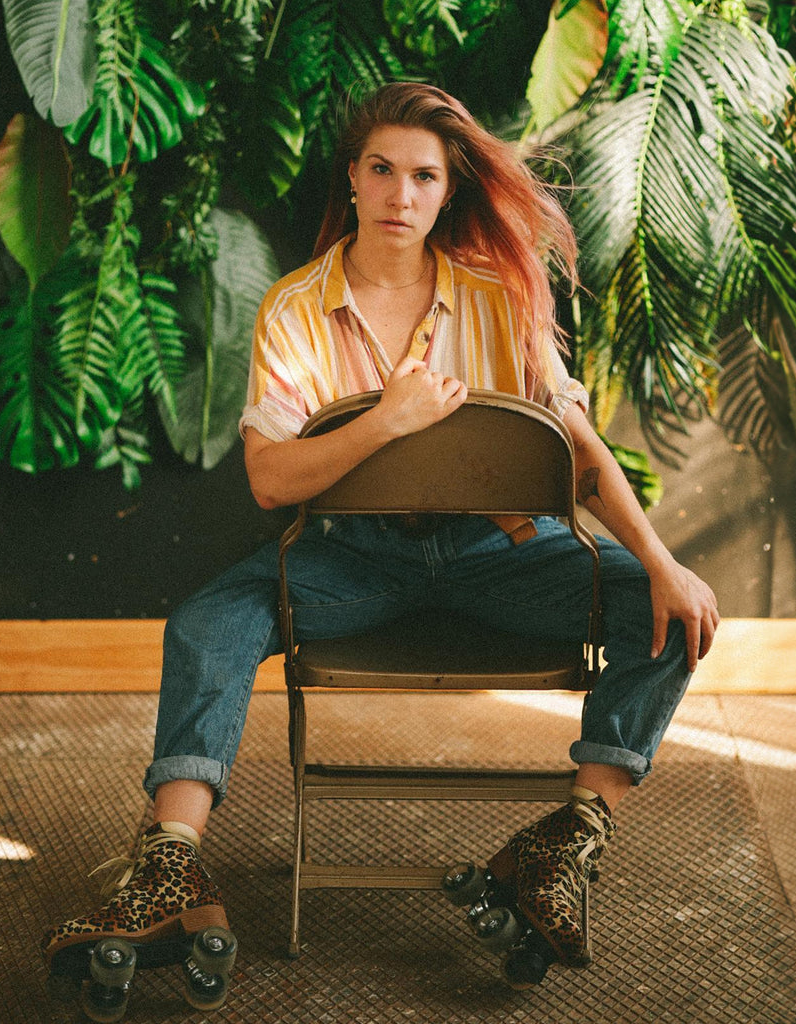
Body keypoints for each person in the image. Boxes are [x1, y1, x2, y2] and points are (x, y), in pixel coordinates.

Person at [42, 82, 719, 1005]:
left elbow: (584, 457)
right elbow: (271, 480)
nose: (402, 193)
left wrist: (662, 560)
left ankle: (565, 842)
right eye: (383, 171)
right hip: (352, 561)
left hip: (501, 553)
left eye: (424, 176)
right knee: (209, 620)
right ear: (354, 181)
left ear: (447, 192)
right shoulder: (295, 306)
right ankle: (169, 865)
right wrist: (386, 422)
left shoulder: (498, 295)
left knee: (668, 608)